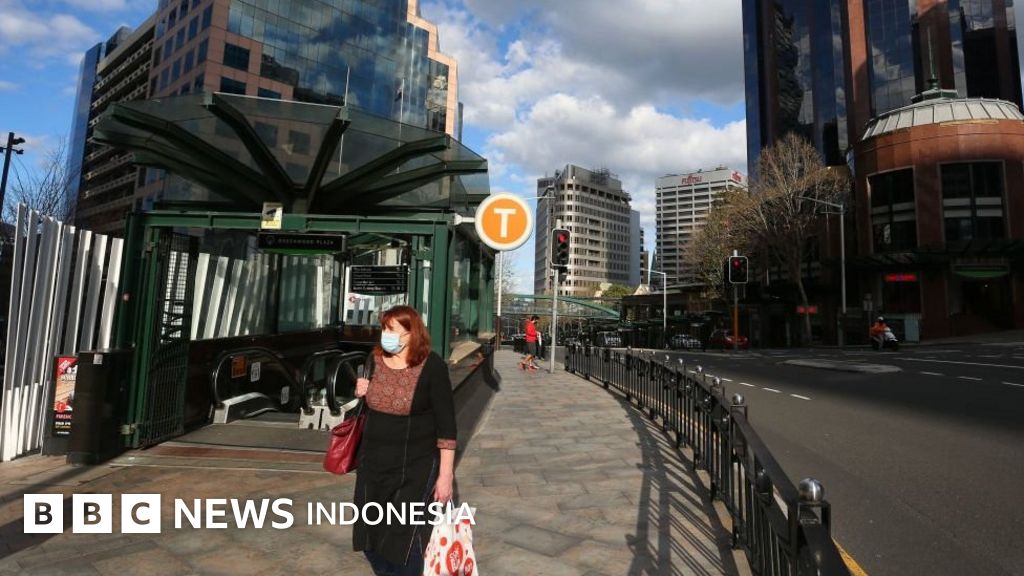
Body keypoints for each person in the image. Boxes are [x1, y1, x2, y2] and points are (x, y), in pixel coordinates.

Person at [353, 305, 457, 576]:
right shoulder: (373, 359)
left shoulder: (432, 366)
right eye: (384, 329)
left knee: (403, 538)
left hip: (414, 467)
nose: (386, 335)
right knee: (369, 536)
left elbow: (447, 426)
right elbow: (366, 406)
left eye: (393, 330)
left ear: (412, 334)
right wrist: (360, 392)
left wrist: (445, 476)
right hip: (373, 465)